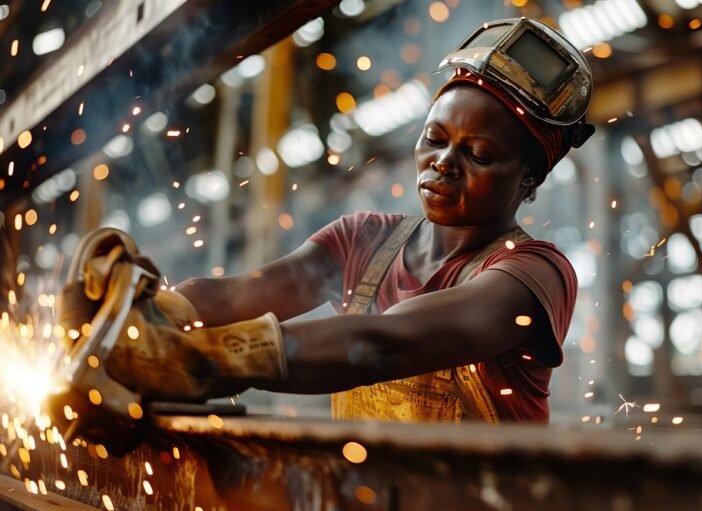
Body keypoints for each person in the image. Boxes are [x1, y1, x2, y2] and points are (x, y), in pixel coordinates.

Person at [59, 18, 594, 424]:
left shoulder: (533, 276)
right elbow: (236, 297)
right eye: (434, 139)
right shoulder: (364, 239)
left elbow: (385, 343)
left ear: (528, 179)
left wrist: (201, 360)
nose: (444, 163)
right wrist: (146, 314)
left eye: (477, 153)